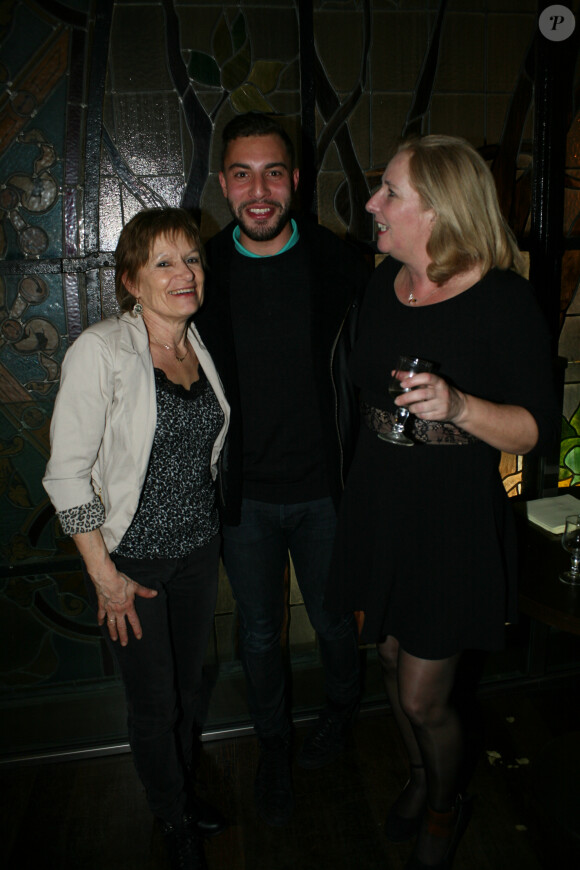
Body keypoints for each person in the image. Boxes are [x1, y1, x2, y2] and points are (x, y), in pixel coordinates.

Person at [325, 135, 560, 870]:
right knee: (391, 661)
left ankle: (445, 801)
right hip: (380, 502)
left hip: (450, 522)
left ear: (439, 210)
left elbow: (531, 432)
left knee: (426, 694)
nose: (372, 204)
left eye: (389, 192)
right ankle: (424, 773)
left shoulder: (503, 297)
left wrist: (458, 405)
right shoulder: (381, 284)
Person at [195, 112, 370, 826]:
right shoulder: (199, 273)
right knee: (259, 632)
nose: (258, 189)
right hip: (245, 499)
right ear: (224, 184)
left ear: (295, 181)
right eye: (242, 173)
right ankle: (272, 743)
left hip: (328, 491)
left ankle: (340, 712)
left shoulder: (341, 265)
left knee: (333, 622)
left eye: (273, 172)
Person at [43, 208, 230, 870]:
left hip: (197, 554)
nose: (186, 274)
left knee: (185, 693)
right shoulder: (101, 350)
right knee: (154, 705)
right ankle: (172, 815)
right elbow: (65, 476)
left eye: (194, 260)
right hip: (135, 565)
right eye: (165, 263)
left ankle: (180, 790)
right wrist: (105, 577)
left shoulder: (194, 344)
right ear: (131, 280)